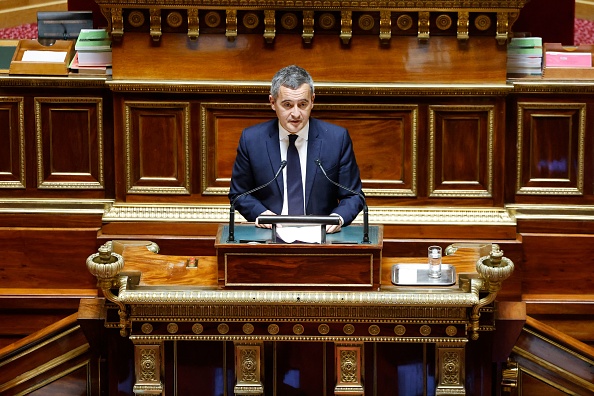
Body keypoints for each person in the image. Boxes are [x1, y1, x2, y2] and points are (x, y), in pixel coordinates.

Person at [228, 65, 364, 234]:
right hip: (270, 235)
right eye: (287, 105)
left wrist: (337, 218)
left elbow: (354, 195)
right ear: (272, 102)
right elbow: (239, 194)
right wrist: (262, 215)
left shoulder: (336, 139)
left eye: (302, 104)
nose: (296, 113)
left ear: (312, 101)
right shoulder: (252, 139)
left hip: (322, 236)